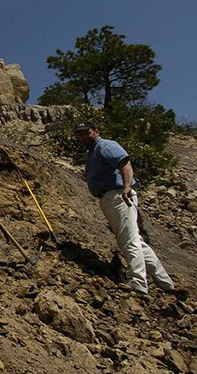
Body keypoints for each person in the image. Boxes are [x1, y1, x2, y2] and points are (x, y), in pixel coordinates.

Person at [74, 122, 176, 295]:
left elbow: (124, 163)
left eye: (87, 133)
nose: (83, 137)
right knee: (135, 240)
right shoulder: (91, 152)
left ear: (96, 131)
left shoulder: (105, 145)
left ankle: (137, 282)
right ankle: (165, 283)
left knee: (128, 240)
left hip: (119, 194)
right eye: (80, 135)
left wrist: (127, 187)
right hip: (109, 197)